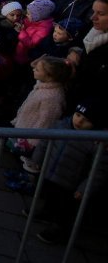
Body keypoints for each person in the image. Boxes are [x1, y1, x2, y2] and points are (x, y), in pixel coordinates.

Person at [26, 98, 108, 245]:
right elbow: (44, 142)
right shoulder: (60, 125)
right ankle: (47, 212)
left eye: (86, 120)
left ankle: (58, 227)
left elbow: (98, 171)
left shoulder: (97, 143)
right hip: (50, 172)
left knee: (65, 208)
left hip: (70, 183)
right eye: (78, 115)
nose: (79, 121)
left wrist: (85, 188)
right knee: (49, 195)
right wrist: (37, 159)